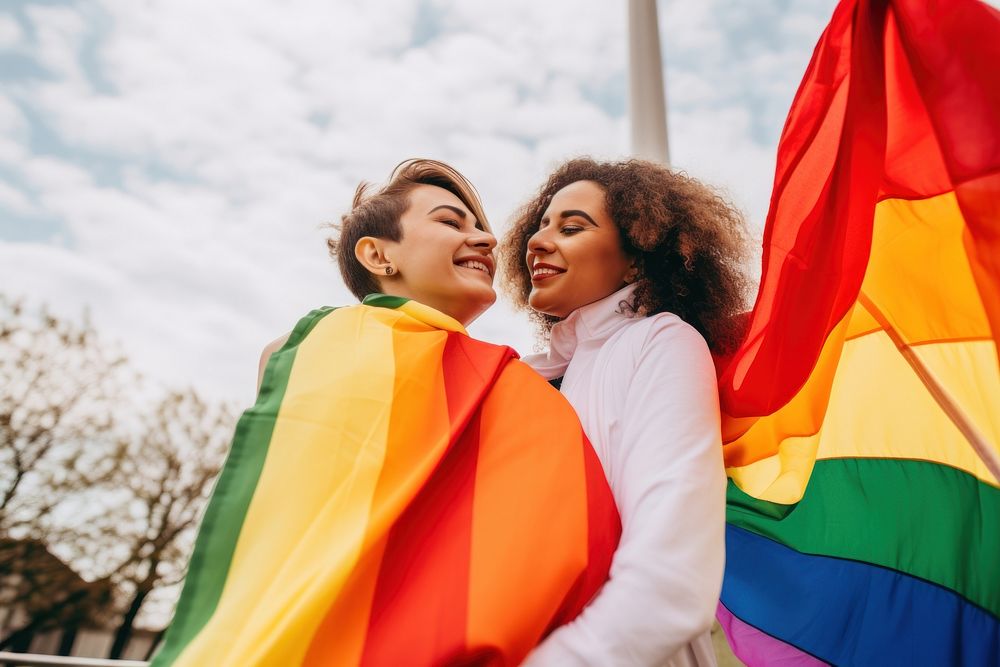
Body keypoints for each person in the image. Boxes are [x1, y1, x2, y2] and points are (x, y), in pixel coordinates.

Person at [152, 159, 620, 667]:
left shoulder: (516, 384)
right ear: (377, 254)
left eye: (481, 228)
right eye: (451, 222)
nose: (487, 241)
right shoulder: (298, 353)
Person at [500, 157, 752, 666]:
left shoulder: (660, 341)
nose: (539, 241)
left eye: (571, 227)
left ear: (635, 261)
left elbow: (670, 578)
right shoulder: (523, 378)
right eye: (541, 225)